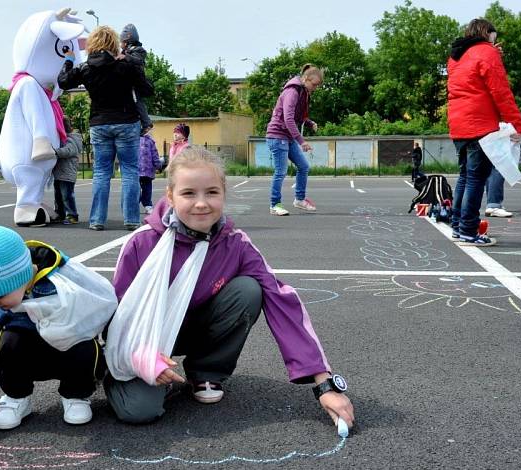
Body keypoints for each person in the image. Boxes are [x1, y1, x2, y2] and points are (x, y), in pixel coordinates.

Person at [103, 147, 356, 430]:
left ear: (223, 193)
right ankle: (141, 380)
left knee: (249, 290)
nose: (201, 204)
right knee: (138, 411)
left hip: (195, 329)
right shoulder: (143, 243)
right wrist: (141, 358)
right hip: (147, 341)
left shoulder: (234, 243)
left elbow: (280, 300)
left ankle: (205, 372)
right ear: (171, 196)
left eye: (211, 192)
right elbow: (117, 315)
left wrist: (325, 385)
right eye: (189, 194)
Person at [0, 224, 116, 431]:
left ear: (23, 276)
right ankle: (17, 396)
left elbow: (104, 309)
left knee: (84, 342)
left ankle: (76, 394)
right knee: (8, 341)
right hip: (27, 357)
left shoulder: (63, 282)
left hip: (68, 355)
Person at [58, 25, 153, 231]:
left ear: (92, 44)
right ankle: (131, 219)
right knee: (129, 171)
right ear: (113, 43)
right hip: (127, 121)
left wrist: (68, 60)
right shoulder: (126, 65)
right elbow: (147, 89)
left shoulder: (85, 68)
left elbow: (63, 82)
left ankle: (97, 220)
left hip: (99, 123)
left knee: (101, 172)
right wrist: (129, 62)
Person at [447, 18, 521, 246]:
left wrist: (492, 53)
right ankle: (470, 230)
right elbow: (500, 91)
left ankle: (458, 226)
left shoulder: (456, 56)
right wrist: (516, 123)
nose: (496, 40)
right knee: (476, 179)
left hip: (458, 122)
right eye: (494, 35)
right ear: (487, 33)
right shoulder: (487, 53)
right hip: (479, 123)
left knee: (465, 176)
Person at [265, 64, 323, 216]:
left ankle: (299, 199)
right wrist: (302, 141)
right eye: (314, 84)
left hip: (287, 137)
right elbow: (288, 118)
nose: (315, 88)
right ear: (305, 79)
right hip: (277, 136)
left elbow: (299, 116)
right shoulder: (292, 91)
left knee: (304, 167)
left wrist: (309, 123)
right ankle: (274, 204)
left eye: (318, 85)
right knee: (281, 171)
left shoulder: (303, 92)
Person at [119, 23, 153, 132]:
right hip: (127, 83)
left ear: (127, 40)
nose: (120, 44)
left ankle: (147, 123)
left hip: (135, 83)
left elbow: (138, 61)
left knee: (137, 101)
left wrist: (125, 56)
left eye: (121, 42)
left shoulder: (139, 50)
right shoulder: (124, 52)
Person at [51, 118, 82, 225]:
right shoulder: (62, 139)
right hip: (59, 173)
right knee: (58, 196)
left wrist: (54, 151)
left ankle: (72, 215)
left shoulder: (72, 138)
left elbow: (68, 151)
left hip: (67, 174)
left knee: (67, 196)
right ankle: (60, 214)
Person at [138, 125, 162, 214]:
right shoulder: (133, 140)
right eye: (147, 128)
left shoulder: (150, 141)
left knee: (147, 189)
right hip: (136, 170)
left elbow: (154, 154)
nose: (148, 130)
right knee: (135, 189)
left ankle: (148, 205)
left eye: (149, 128)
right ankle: (134, 205)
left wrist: (158, 165)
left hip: (148, 170)